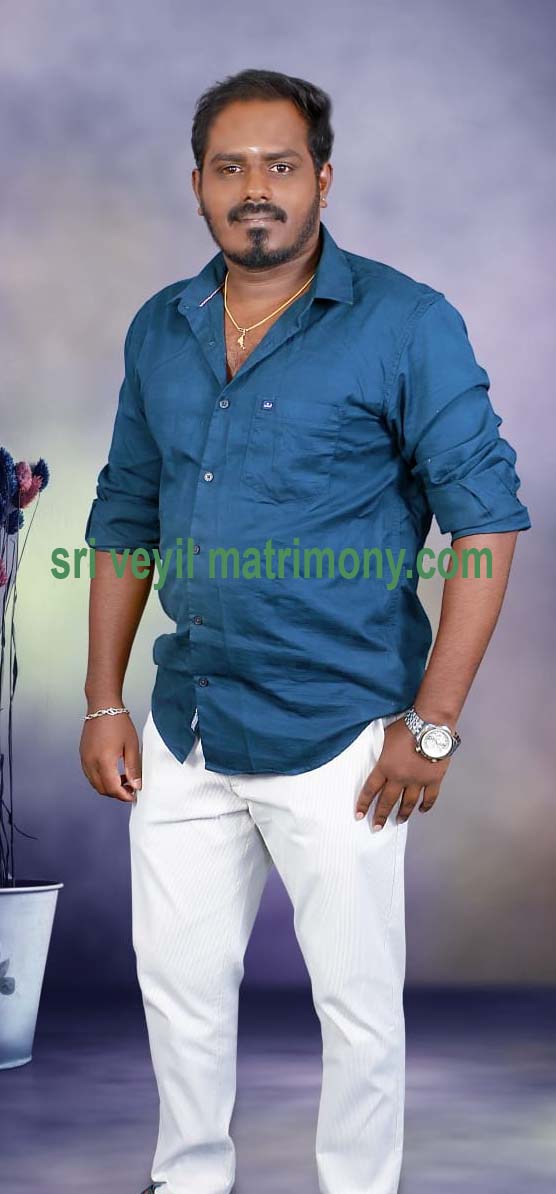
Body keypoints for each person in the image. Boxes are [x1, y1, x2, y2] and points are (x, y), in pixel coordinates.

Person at [80, 68, 531, 1194]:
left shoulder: (407, 324)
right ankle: (188, 1178)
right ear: (197, 185)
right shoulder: (162, 327)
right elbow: (123, 512)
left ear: (322, 179)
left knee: (357, 1007)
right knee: (177, 989)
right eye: (229, 167)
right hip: (187, 721)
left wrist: (431, 727)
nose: (256, 188)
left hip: (345, 733)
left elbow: (485, 524)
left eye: (280, 165)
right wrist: (102, 698)